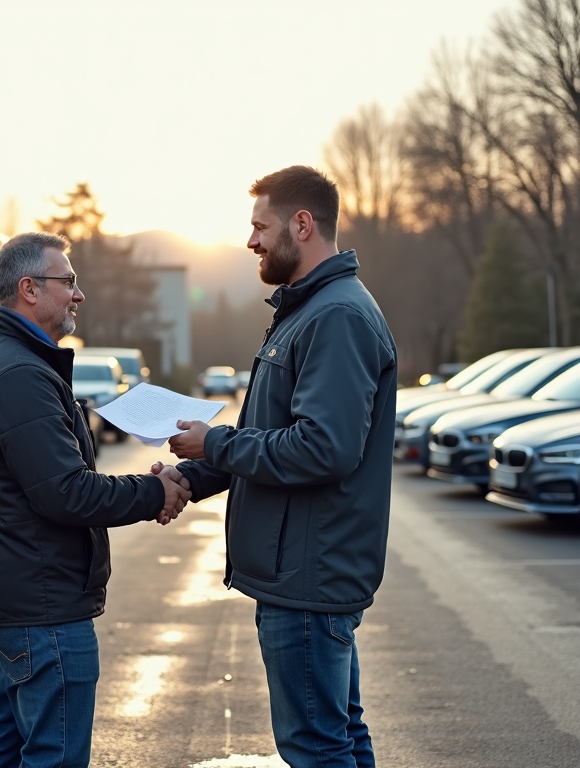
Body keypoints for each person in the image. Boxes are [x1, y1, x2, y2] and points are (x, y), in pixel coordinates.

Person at [167, 166, 397, 768]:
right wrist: (190, 477)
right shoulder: (308, 310)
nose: (250, 242)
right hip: (303, 572)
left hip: (308, 576)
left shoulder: (336, 316)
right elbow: (268, 438)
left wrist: (214, 446)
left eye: (259, 226)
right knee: (339, 735)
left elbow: (323, 448)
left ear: (302, 223)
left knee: (316, 747)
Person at [0, 231, 190, 768]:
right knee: (52, 755)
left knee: (11, 747)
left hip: (22, 596)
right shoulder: (18, 372)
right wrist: (155, 490)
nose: (78, 295)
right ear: (29, 289)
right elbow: (66, 492)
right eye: (70, 282)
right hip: (43, 606)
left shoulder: (9, 359)